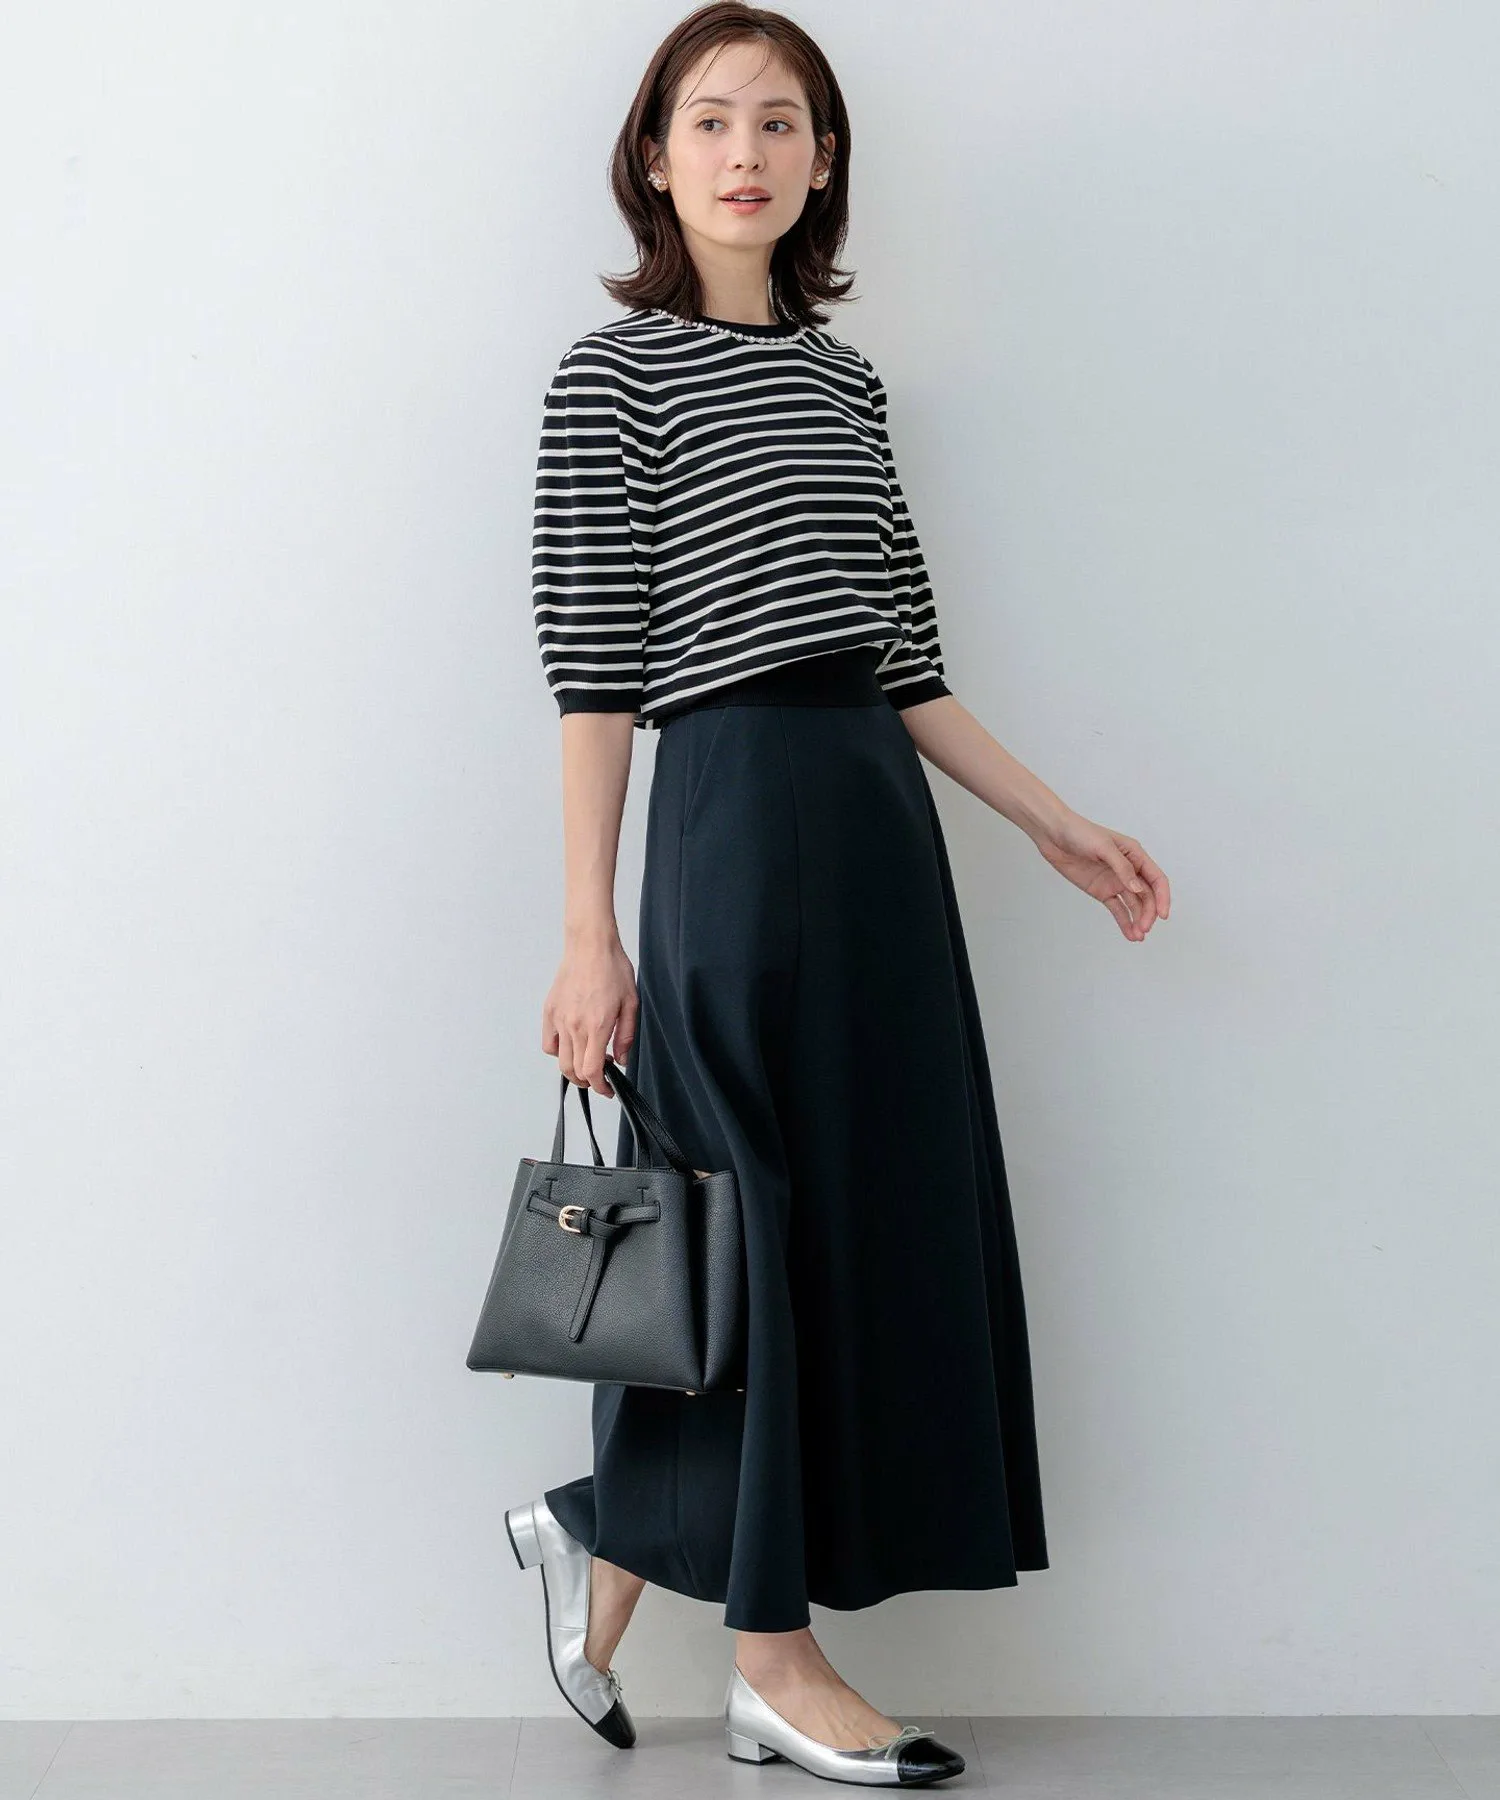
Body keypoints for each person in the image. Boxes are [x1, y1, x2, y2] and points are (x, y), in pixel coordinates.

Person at [504, 5, 1171, 1786]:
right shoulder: (610, 377)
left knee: (830, 1227)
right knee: (742, 1218)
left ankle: (605, 1535)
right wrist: (589, 931)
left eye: (782, 122)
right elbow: (595, 670)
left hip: (874, 819)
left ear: (822, 165)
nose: (747, 152)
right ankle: (774, 1661)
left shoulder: (847, 385)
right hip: (729, 814)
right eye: (712, 120)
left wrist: (1055, 826)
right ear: (656, 159)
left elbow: (905, 661)